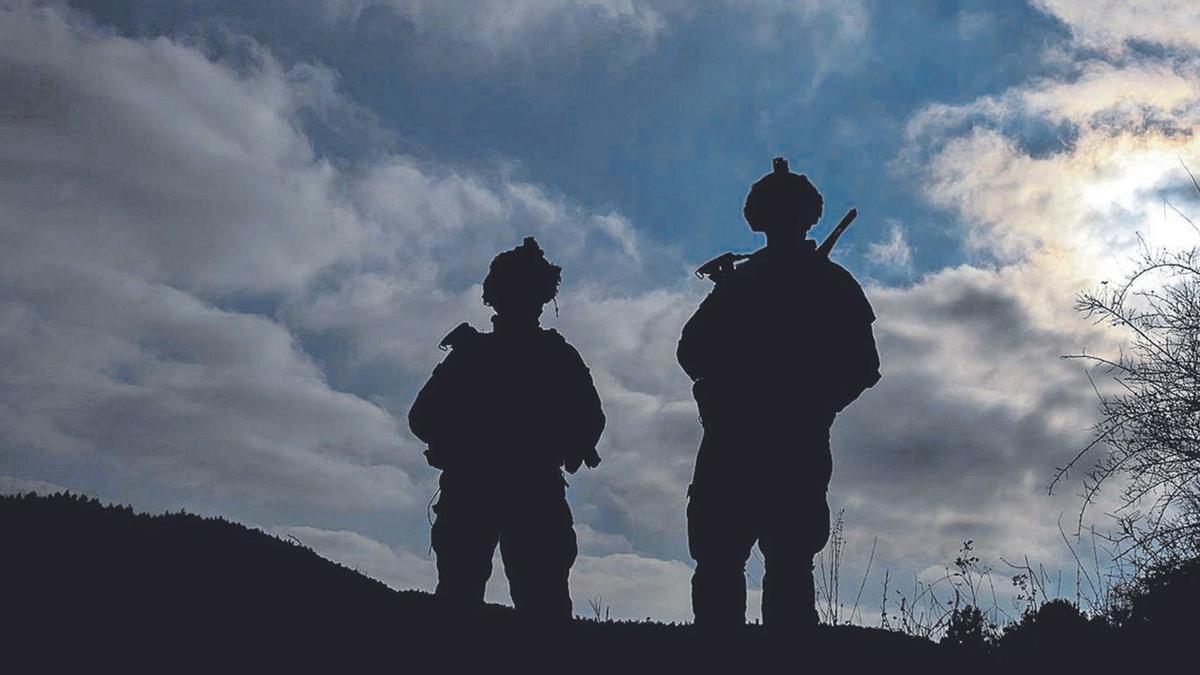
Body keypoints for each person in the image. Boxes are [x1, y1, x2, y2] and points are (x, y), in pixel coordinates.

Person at [677, 157, 881, 629]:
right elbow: (692, 352)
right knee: (724, 561)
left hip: (785, 438)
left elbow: (862, 366)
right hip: (738, 436)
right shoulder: (738, 283)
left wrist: (812, 402)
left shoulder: (827, 284)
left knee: (784, 563)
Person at [409, 236, 605, 621]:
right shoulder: (553, 355)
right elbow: (590, 420)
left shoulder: (475, 354)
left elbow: (422, 417)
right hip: (518, 488)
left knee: (472, 601)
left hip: (485, 486)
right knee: (535, 605)